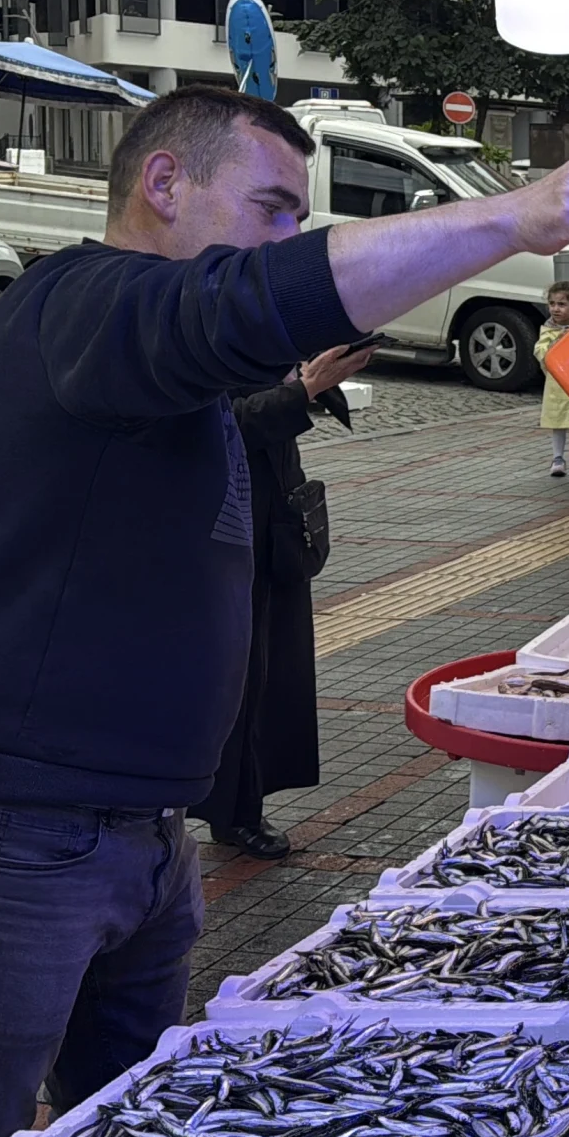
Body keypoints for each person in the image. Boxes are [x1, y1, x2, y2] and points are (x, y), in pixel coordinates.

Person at [0, 84, 569, 1137]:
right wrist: (513, 216)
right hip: (8, 841)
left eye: (301, 218)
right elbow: (235, 308)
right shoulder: (77, 303)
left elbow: (224, 380)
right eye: (275, 208)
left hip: (138, 839)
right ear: (165, 183)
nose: (288, 239)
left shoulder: (156, 376)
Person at [193, 339, 370, 861]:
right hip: (229, 530)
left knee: (267, 671)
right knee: (238, 676)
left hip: (272, 526)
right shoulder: (195, 331)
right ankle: (231, 810)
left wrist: (316, 378)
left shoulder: (238, 321)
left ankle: (237, 806)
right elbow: (224, 426)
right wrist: (305, 387)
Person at [536, 281, 569, 476]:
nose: (555, 309)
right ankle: (557, 457)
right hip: (556, 385)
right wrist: (556, 343)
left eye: (562, 304)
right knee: (558, 421)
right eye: (552, 304)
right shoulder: (548, 329)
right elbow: (540, 351)